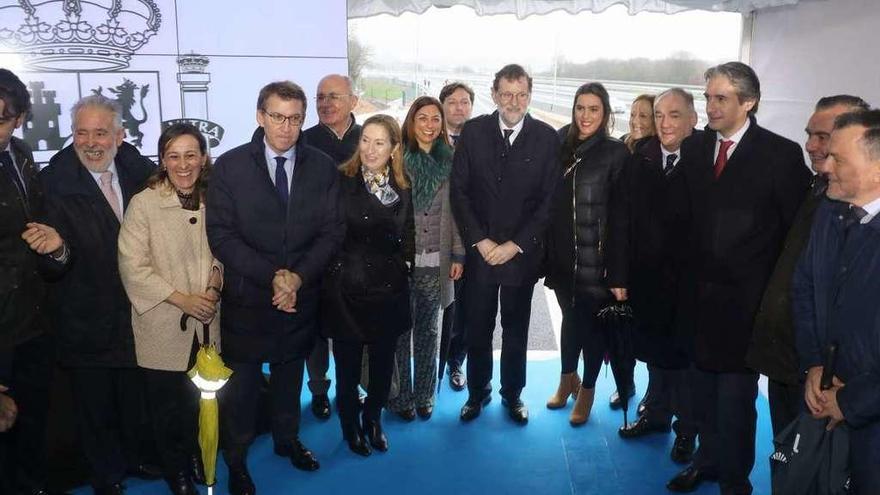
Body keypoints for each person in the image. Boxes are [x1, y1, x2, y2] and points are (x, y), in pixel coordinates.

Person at [666, 62, 811, 494]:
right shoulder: (693, 149)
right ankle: (705, 463)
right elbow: (683, 222)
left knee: (735, 404)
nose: (710, 106)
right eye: (708, 97)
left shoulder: (780, 156)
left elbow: (792, 238)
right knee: (699, 397)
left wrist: (774, 303)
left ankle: (734, 481)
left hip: (744, 309)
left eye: (721, 98)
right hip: (694, 303)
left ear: (749, 102)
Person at [206, 81, 343, 495]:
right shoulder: (229, 167)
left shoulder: (321, 167)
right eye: (278, 117)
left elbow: (332, 231)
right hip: (249, 299)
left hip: (300, 297)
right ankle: (237, 459)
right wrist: (274, 277)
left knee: (289, 378)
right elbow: (222, 236)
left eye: (295, 118)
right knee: (242, 391)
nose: (286, 127)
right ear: (260, 116)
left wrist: (297, 278)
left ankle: (287, 440)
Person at [40, 94, 158, 495]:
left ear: (120, 136)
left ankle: (136, 458)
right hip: (84, 316)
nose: (91, 142)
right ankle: (106, 476)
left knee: (133, 398)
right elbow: (49, 265)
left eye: (101, 133)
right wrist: (57, 249)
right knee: (94, 408)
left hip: (135, 314)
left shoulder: (138, 169)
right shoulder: (53, 184)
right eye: (81, 133)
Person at [746, 95, 870, 439]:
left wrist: (837, 381)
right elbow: (800, 279)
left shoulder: (851, 207)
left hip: (835, 384)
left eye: (823, 137)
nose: (811, 146)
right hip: (791, 360)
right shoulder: (817, 189)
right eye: (809, 134)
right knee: (788, 457)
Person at [450, 64, 559, 424]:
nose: (514, 101)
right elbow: (460, 192)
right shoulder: (473, 133)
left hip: (520, 256)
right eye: (507, 93)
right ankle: (477, 392)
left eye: (522, 94)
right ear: (494, 94)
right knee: (476, 327)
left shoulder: (546, 138)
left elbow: (549, 201)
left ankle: (512, 394)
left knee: (516, 329)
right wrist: (479, 241)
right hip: (481, 254)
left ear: (530, 95)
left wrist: (515, 245)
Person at [117, 123, 223, 495]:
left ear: (204, 158)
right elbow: (133, 266)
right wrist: (183, 300)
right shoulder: (143, 203)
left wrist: (213, 286)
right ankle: (175, 471)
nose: (183, 164)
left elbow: (224, 251)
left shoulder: (217, 197)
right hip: (163, 324)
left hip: (207, 323)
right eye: (173, 156)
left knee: (200, 400)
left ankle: (196, 454)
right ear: (162, 160)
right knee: (166, 408)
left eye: (191, 155)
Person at [609, 88, 699, 464]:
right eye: (659, 115)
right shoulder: (640, 158)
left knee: (687, 364)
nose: (664, 123)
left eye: (674, 115)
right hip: (648, 281)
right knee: (655, 356)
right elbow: (620, 220)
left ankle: (687, 431)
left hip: (693, 285)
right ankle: (657, 415)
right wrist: (618, 273)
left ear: (693, 119)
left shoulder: (708, 160)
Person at [793, 108, 880, 494]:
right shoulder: (830, 212)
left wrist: (851, 403)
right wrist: (814, 364)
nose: (825, 165)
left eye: (838, 158)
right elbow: (804, 288)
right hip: (825, 397)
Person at [321, 114, 414, 456]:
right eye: (365, 141)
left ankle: (373, 418)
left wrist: (407, 266)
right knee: (346, 367)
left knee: (381, 364)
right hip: (348, 288)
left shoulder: (403, 186)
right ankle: (349, 425)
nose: (370, 150)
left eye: (379, 143)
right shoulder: (340, 180)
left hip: (388, 289)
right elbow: (327, 234)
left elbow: (407, 236)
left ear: (393, 149)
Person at [0, 68, 69, 495]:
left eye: (2, 118)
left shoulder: (21, 154)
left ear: (21, 118)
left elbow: (39, 228)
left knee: (31, 422)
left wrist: (58, 248)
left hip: (35, 321)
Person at [544, 82, 630, 426]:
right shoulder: (560, 145)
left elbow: (624, 218)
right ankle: (567, 379)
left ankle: (588, 390)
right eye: (580, 108)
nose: (585, 116)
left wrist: (619, 271)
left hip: (598, 261)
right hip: (564, 258)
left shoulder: (615, 153)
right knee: (570, 321)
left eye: (594, 109)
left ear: (605, 113)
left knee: (593, 330)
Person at [386, 97, 464, 421]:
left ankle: (424, 394)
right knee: (402, 331)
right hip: (402, 262)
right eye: (423, 118)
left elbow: (458, 213)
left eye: (436, 119)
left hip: (436, 261)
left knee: (430, 331)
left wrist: (458, 253)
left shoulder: (452, 160)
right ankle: (401, 396)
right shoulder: (396, 159)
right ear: (411, 121)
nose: (430, 125)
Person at [300, 74, 362, 420]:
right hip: (316, 250)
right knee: (316, 325)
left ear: (353, 101)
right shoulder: (303, 142)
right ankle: (319, 388)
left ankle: (350, 386)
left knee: (352, 323)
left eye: (334, 97)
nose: (326, 104)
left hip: (357, 253)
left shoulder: (369, 139)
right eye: (320, 97)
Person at [439, 81, 474, 392]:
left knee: (464, 306)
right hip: (435, 240)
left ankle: (456, 362)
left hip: (472, 240)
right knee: (435, 309)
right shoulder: (428, 141)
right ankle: (431, 366)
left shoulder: (480, 140)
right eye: (452, 102)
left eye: (465, 102)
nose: (459, 108)